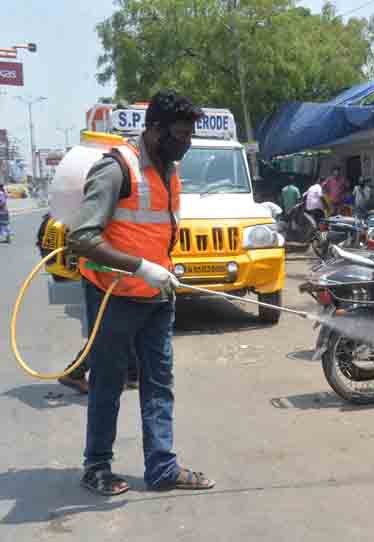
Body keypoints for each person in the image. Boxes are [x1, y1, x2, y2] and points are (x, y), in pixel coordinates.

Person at [66, 90, 214, 496]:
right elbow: (81, 238)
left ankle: (162, 467)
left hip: (157, 298)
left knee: (159, 382)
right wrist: (140, 267)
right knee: (108, 383)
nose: (186, 143)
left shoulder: (170, 169)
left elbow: (153, 232)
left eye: (189, 135)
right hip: (113, 296)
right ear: (155, 130)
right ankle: (96, 466)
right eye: (180, 134)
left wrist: (163, 269)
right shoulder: (116, 168)